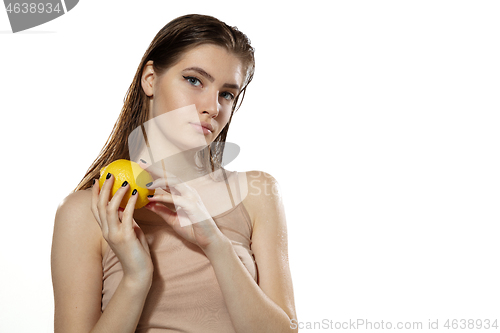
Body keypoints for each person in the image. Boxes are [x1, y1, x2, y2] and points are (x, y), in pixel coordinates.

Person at [51, 14, 297, 332]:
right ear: (150, 79)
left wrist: (216, 245)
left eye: (227, 94)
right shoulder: (87, 210)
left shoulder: (255, 193)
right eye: (194, 80)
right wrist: (136, 278)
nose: (212, 106)